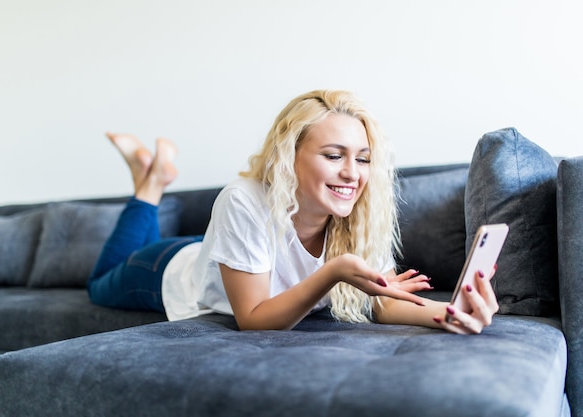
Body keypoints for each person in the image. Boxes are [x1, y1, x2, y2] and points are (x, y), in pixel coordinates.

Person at [88, 89, 499, 334]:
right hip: (166, 270)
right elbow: (252, 319)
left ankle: (151, 175)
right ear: (290, 156)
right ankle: (151, 185)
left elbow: (386, 302)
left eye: (363, 159)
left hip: (233, 255)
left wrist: (451, 315)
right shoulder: (243, 199)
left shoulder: (356, 215)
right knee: (100, 281)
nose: (352, 174)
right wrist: (331, 273)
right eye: (334, 155)